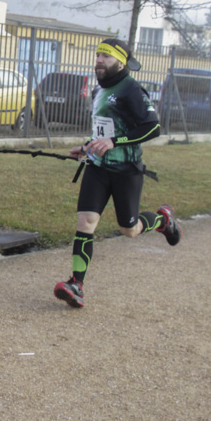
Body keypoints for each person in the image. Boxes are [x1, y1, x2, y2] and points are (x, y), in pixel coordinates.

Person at [54, 38, 181, 309]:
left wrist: (115, 143)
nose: (99, 60)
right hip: (98, 168)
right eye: (98, 55)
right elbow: (105, 128)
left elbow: (152, 128)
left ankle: (163, 220)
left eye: (106, 57)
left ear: (120, 62)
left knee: (130, 230)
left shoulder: (131, 90)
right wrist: (88, 146)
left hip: (126, 171)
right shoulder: (98, 90)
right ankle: (76, 285)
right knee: (86, 222)